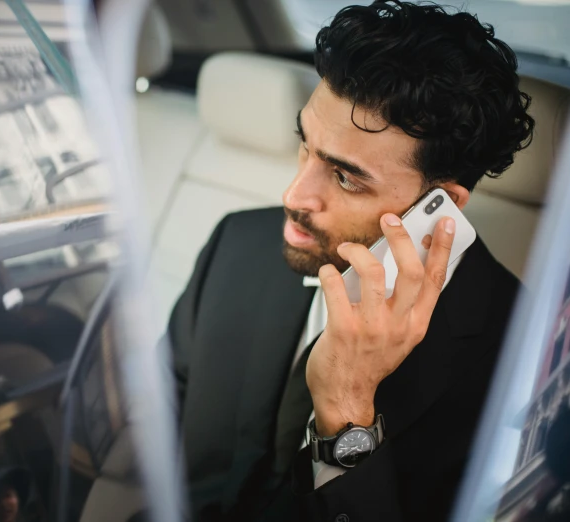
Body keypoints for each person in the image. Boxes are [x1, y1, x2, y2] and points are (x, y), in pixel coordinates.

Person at [165, 1, 534, 521]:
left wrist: (346, 410)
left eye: (345, 177)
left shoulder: (517, 354)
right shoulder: (238, 243)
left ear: (441, 205)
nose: (294, 195)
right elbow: (152, 440)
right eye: (305, 145)